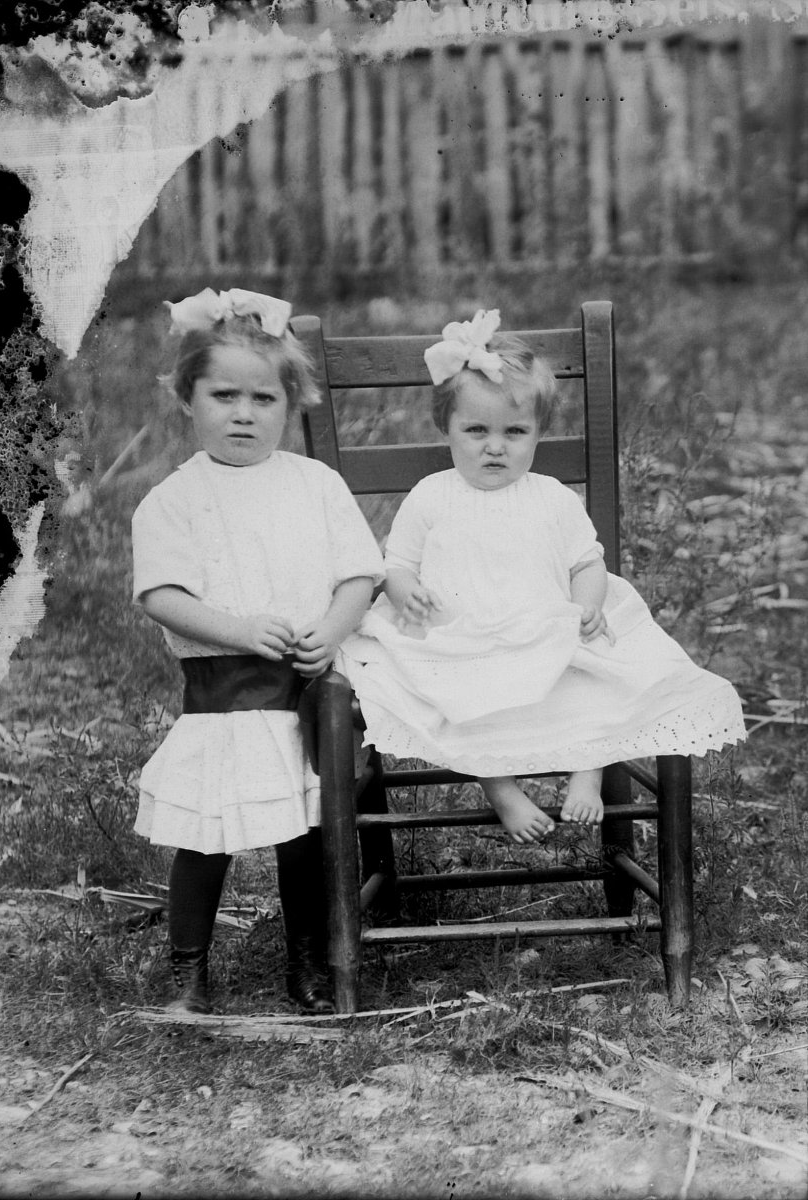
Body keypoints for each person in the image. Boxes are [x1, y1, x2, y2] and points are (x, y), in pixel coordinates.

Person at [339, 309, 745, 845]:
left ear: (538, 433)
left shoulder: (552, 497)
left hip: (546, 631)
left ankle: (587, 771)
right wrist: (404, 588)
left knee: (594, 675)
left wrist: (587, 604)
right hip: (462, 639)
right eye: (476, 430)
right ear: (446, 428)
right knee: (462, 701)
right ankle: (503, 791)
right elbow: (397, 562)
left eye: (515, 432)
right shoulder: (431, 495)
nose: (495, 446)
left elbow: (586, 562)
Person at [132, 287, 384, 1015]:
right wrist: (239, 628)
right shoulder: (173, 500)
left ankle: (307, 961)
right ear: (187, 397)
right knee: (206, 835)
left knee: (305, 833)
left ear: (291, 403)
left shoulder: (315, 485)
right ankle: (189, 970)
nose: (243, 414)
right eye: (223, 396)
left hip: (308, 689)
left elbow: (359, 574)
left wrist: (331, 629)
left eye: (264, 398)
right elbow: (161, 595)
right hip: (225, 693)